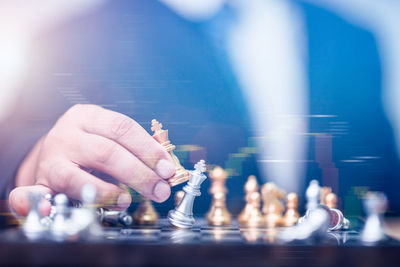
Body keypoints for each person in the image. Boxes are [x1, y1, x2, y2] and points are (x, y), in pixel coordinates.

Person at [1, 0, 400, 217]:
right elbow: (14, 147)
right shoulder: (74, 39)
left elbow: (385, 185)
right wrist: (32, 160)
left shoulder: (352, 40)